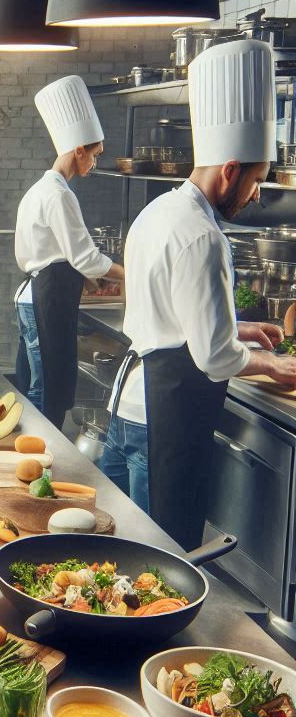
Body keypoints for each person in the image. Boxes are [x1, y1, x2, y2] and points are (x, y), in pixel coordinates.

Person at [99, 39, 296, 549]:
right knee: (160, 562)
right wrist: (272, 365)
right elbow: (212, 356)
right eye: (255, 181)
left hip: (129, 408)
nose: (256, 196)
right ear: (230, 169)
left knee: (110, 552)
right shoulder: (204, 235)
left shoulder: (159, 210)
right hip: (167, 417)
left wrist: (241, 327)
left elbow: (164, 309)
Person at [15, 75, 125, 431]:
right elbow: (86, 257)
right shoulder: (60, 194)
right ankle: (40, 466)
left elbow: (63, 255)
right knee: (46, 392)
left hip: (38, 294)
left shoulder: (41, 188)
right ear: (78, 150)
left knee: (40, 387)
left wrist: (88, 277)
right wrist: (132, 271)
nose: (93, 164)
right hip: (46, 299)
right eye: (93, 156)